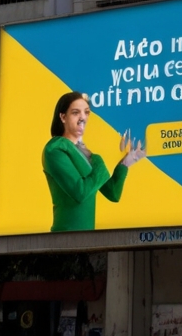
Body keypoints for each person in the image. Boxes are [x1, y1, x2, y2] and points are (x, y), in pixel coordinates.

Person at [42, 92, 146, 232]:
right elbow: (81, 192)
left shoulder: (81, 152)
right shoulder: (55, 149)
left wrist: (125, 163)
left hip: (87, 239)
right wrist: (98, 161)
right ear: (63, 117)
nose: (82, 118)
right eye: (75, 113)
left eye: (86, 113)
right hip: (65, 238)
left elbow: (112, 193)